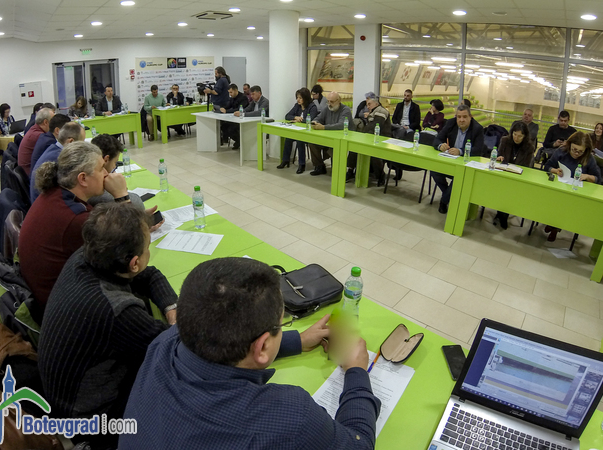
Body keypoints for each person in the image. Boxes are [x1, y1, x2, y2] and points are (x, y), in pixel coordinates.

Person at [120, 257, 380, 450]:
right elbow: (358, 445)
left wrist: (297, 341)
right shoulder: (291, 417)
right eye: (282, 323)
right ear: (263, 346)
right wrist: (357, 371)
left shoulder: (163, 342)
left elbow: (214, 336)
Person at [39, 202, 177, 450]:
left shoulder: (86, 257)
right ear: (134, 263)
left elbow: (149, 274)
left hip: (65, 395)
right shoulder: (118, 312)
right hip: (93, 422)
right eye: (148, 247)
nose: (149, 253)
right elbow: (175, 347)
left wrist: (171, 306)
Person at [19, 141, 130, 310]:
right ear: (83, 178)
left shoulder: (55, 193)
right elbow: (128, 248)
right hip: (63, 309)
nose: (107, 173)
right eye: (101, 168)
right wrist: (122, 197)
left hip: (50, 294)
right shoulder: (75, 219)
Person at [544, 132, 601, 241]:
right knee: (556, 200)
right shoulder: (561, 151)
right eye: (574, 149)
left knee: (566, 204)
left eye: (580, 151)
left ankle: (554, 226)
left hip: (576, 193)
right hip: (559, 188)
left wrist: (587, 176)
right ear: (569, 145)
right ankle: (553, 224)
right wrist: (555, 170)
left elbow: (598, 179)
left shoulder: (588, 158)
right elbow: (547, 166)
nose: (576, 153)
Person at [431, 104, 484, 214]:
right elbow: (437, 139)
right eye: (459, 117)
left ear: (470, 117)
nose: (461, 120)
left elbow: (479, 150)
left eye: (464, 117)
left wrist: (460, 151)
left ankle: (444, 201)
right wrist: (440, 145)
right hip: (450, 161)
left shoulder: (477, 128)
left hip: (465, 166)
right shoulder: (450, 123)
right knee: (434, 170)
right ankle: (448, 194)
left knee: (459, 178)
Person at [29, 122, 85, 203]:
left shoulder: (53, 149)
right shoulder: (60, 159)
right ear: (71, 142)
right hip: (47, 205)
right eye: (82, 143)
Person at [494, 121, 535, 229]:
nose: (516, 138)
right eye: (514, 134)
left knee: (510, 191)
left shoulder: (529, 147)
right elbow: (499, 155)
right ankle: (501, 213)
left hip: (517, 178)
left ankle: (503, 215)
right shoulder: (505, 141)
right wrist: (499, 158)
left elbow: (526, 167)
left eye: (519, 136)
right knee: (501, 187)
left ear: (524, 136)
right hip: (503, 174)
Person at [346, 96, 392, 182]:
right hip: (371, 137)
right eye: (367, 105)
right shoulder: (374, 111)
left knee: (373, 153)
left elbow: (375, 125)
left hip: (382, 138)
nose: (368, 106)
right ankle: (350, 170)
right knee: (354, 146)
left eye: (369, 104)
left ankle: (380, 175)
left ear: (376, 103)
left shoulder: (381, 111)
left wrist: (363, 133)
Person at [308, 92, 354, 176]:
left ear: (338, 101)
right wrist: (315, 122)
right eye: (328, 101)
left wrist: (323, 127)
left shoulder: (345, 110)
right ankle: (319, 166)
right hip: (328, 136)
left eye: (332, 102)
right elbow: (318, 118)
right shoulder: (327, 108)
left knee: (334, 148)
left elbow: (341, 125)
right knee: (312, 142)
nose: (329, 104)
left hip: (342, 139)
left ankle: (337, 170)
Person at [277, 88, 318, 173]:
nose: (298, 100)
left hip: (308, 132)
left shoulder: (312, 107)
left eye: (300, 98)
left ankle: (301, 164)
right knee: (288, 139)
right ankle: (285, 160)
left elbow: (311, 120)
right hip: (298, 130)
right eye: (297, 97)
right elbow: (287, 116)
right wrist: (295, 117)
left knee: (300, 140)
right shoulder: (297, 106)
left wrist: (299, 120)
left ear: (305, 98)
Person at [18, 107, 55, 175]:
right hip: (30, 173)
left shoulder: (34, 129)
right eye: (53, 121)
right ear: (46, 122)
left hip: (26, 170)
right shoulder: (39, 136)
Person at [220, 84, 250, 149]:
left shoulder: (243, 98)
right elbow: (228, 106)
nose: (230, 94)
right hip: (233, 118)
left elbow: (239, 109)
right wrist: (222, 108)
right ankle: (238, 140)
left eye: (231, 92)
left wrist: (226, 111)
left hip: (242, 119)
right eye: (229, 93)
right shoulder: (232, 98)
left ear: (236, 90)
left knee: (231, 129)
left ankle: (239, 141)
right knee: (223, 126)